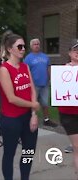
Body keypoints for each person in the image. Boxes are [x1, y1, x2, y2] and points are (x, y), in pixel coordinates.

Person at [0, 31, 40, 180]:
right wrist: (33, 104)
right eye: (19, 46)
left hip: (28, 116)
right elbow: (11, 98)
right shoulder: (4, 69)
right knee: (9, 153)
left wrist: (34, 113)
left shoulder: (25, 66)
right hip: (11, 119)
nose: (23, 49)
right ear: (9, 49)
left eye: (23, 46)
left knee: (29, 152)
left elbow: (32, 89)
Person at [24, 38, 58, 127]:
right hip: (34, 85)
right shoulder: (28, 58)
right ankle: (31, 118)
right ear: (31, 46)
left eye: (38, 44)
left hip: (45, 84)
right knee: (33, 103)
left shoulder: (45, 56)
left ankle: (46, 119)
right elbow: (26, 72)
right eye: (35, 44)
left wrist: (51, 79)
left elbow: (48, 68)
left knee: (45, 103)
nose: (37, 45)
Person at [58, 39, 78, 174]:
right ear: (69, 53)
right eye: (75, 50)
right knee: (77, 147)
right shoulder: (63, 71)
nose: (77, 52)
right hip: (68, 113)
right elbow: (58, 92)